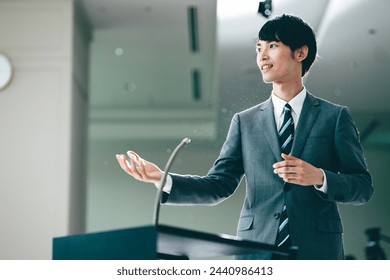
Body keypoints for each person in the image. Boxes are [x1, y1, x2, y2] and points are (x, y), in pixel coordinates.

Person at [116, 14, 374, 260]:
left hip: (318, 252)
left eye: (272, 45)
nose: (262, 55)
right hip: (256, 249)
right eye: (258, 48)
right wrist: (164, 179)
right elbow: (219, 185)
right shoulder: (245, 121)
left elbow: (362, 187)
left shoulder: (334, 117)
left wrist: (319, 177)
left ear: (301, 53)